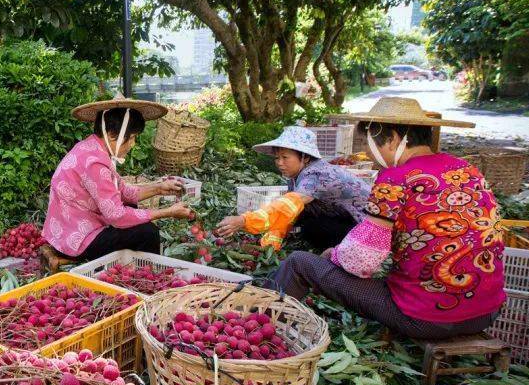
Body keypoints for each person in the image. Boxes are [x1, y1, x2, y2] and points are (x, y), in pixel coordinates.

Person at [271, 97, 506, 339]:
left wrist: (334, 254)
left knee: (298, 262)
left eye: (370, 143)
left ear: (393, 139)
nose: (368, 153)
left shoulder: (395, 178)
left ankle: (259, 320)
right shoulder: (469, 170)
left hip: (426, 318)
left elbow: (360, 261)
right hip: (486, 313)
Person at [40, 98, 195, 271]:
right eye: (133, 137)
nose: (133, 144)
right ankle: (145, 277)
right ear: (115, 135)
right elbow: (117, 216)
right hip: (77, 237)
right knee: (148, 233)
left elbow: (123, 191)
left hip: (70, 227)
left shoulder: (92, 148)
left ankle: (127, 266)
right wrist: (168, 212)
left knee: (132, 207)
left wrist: (159, 188)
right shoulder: (95, 164)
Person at [215, 126, 371, 252]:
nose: (279, 163)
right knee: (302, 215)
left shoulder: (316, 174)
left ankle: (336, 252)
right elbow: (287, 211)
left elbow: (287, 205)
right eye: (277, 157)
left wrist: (244, 220)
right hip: (345, 217)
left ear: (305, 157)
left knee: (311, 227)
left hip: (368, 229)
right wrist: (270, 246)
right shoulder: (296, 175)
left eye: (285, 157)